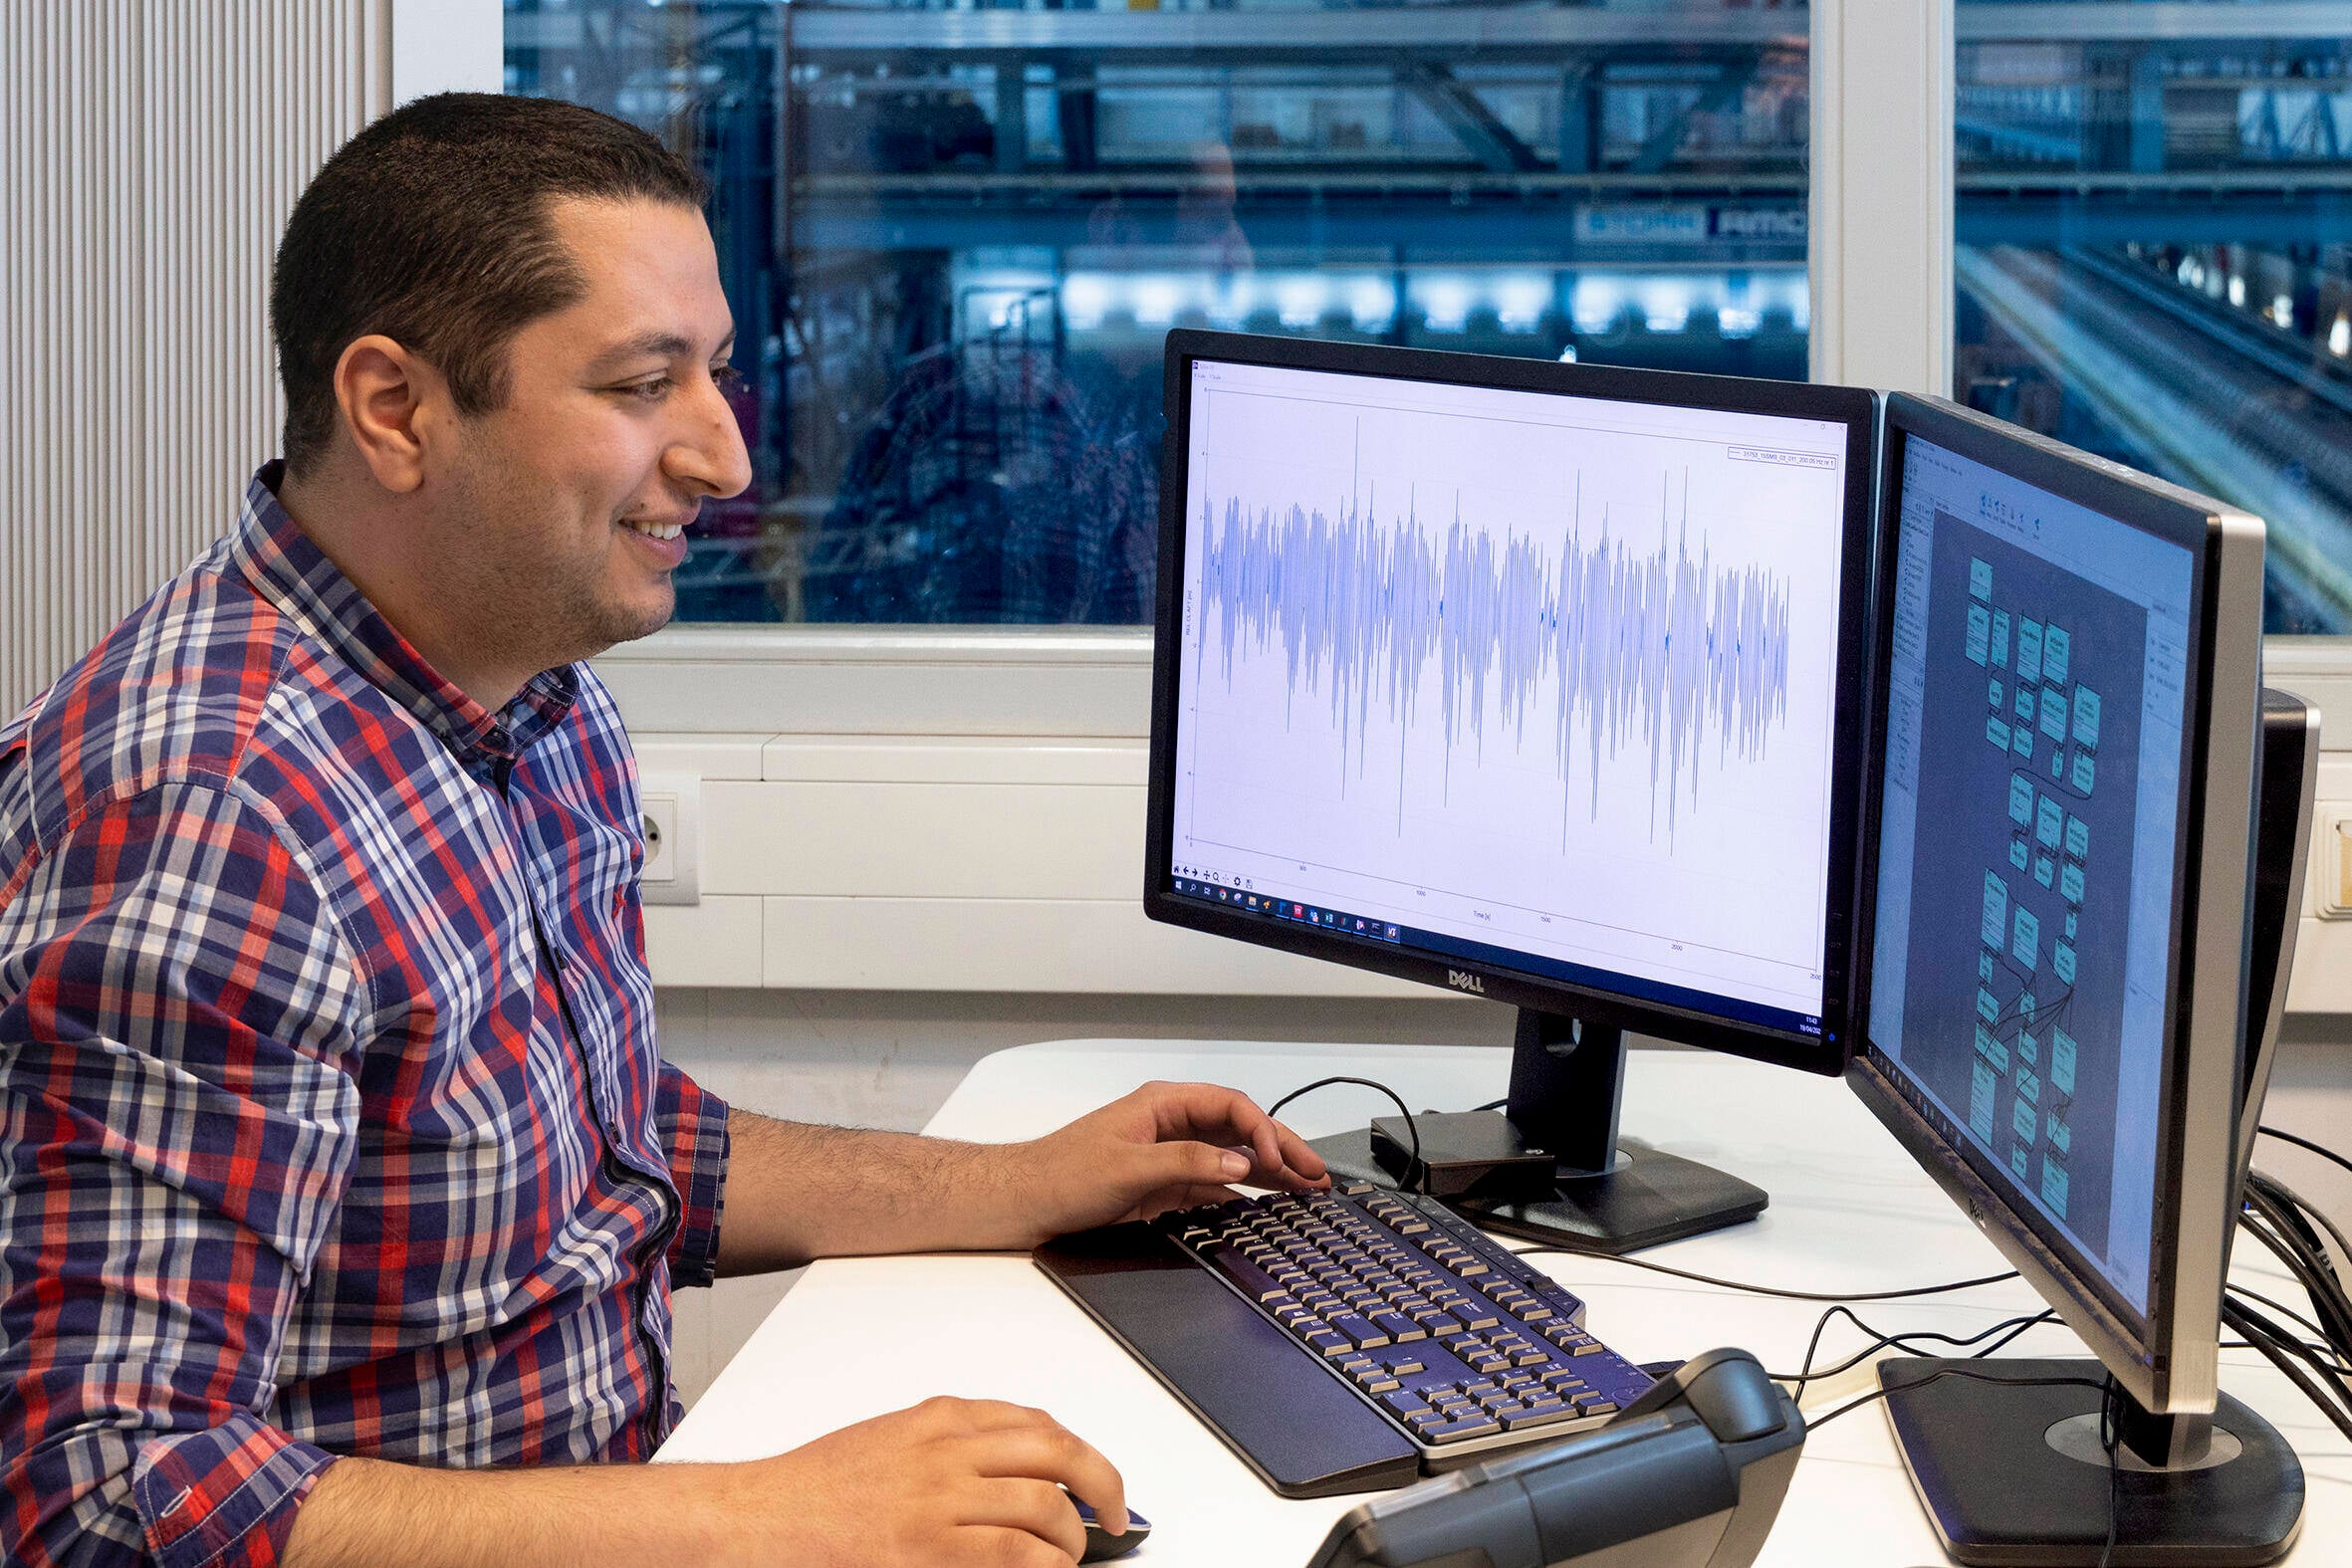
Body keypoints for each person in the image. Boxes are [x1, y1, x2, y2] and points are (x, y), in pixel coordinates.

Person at [0, 93, 1329, 1568]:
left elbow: (609, 1158)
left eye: (716, 374)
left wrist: (1014, 1180)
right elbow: (100, 1492)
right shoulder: (215, 818)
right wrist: (763, 1516)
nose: (725, 459)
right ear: (396, 410)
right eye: (643, 386)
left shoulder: (528, 686)